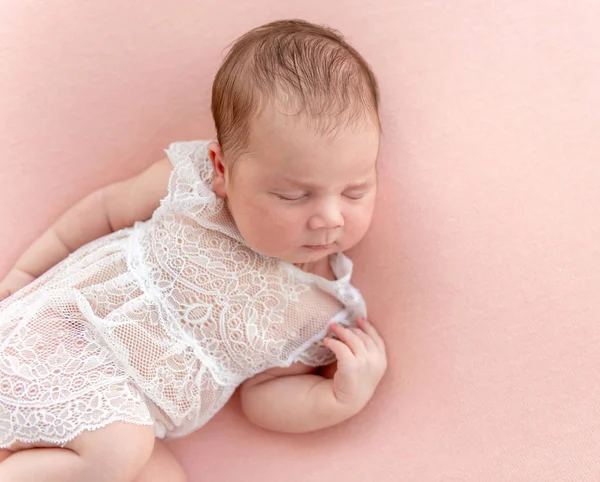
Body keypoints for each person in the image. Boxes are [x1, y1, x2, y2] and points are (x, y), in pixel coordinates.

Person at [0, 19, 386, 482]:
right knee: (120, 449)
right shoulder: (195, 191)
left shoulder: (319, 308)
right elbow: (104, 211)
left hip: (134, 413)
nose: (330, 217)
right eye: (292, 195)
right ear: (222, 169)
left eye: (355, 191)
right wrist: (24, 276)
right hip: (67, 336)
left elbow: (264, 395)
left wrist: (338, 399)